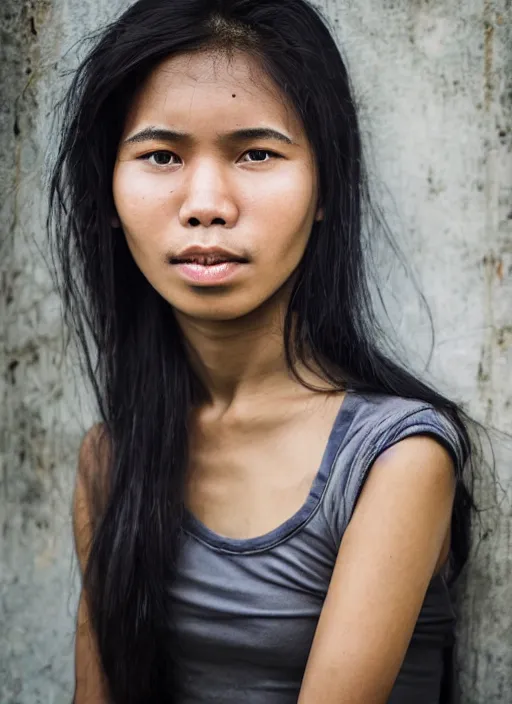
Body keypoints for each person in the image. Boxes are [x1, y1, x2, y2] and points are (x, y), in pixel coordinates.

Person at [48, 1, 479, 702]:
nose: (207, 203)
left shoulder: (396, 460)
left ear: (324, 189)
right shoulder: (112, 458)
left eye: (257, 154)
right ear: (110, 191)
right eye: (161, 155)